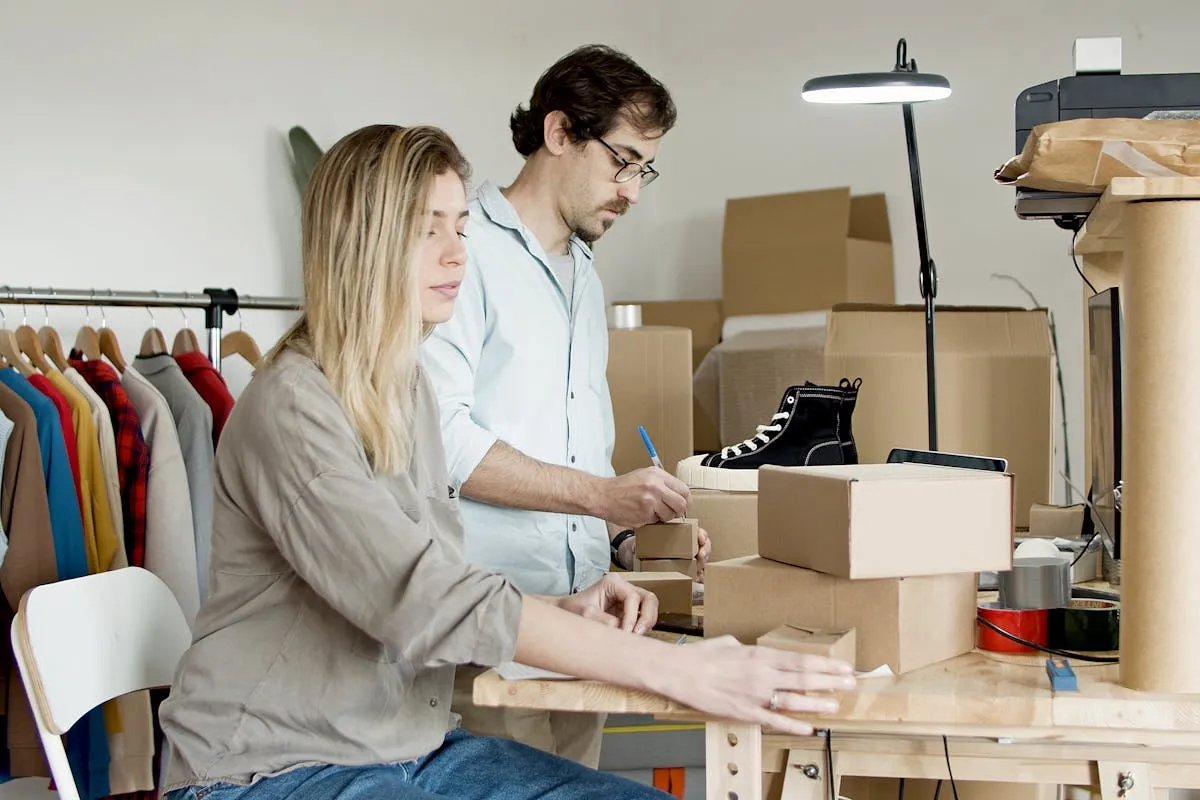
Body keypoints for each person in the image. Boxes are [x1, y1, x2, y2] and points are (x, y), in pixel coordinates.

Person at [156, 123, 855, 800]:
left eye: (460, 227)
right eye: (427, 229)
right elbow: (420, 595)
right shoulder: (293, 407)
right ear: (357, 243)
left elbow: (429, 584)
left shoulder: (406, 390)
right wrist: (675, 670)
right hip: (269, 769)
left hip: (406, 749)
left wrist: (560, 607)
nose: (457, 253)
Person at [420, 43, 709, 768]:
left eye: (645, 169)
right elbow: (441, 443)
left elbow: (569, 449)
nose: (633, 190)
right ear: (558, 134)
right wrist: (607, 496)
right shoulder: (464, 255)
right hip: (489, 635)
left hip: (582, 626)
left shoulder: (583, 273)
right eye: (623, 161)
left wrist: (625, 539)